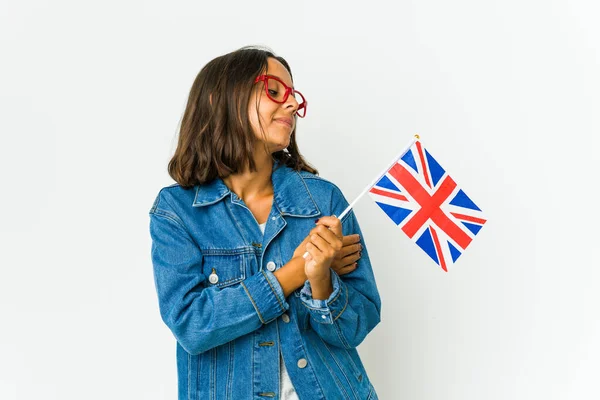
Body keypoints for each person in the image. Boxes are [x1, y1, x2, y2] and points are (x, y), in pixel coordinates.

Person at [149, 45, 381, 400]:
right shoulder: (177, 211)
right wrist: (295, 272)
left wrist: (322, 283)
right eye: (274, 91)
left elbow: (355, 329)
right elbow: (192, 324)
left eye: (293, 98)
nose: (291, 105)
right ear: (219, 100)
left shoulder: (323, 202)